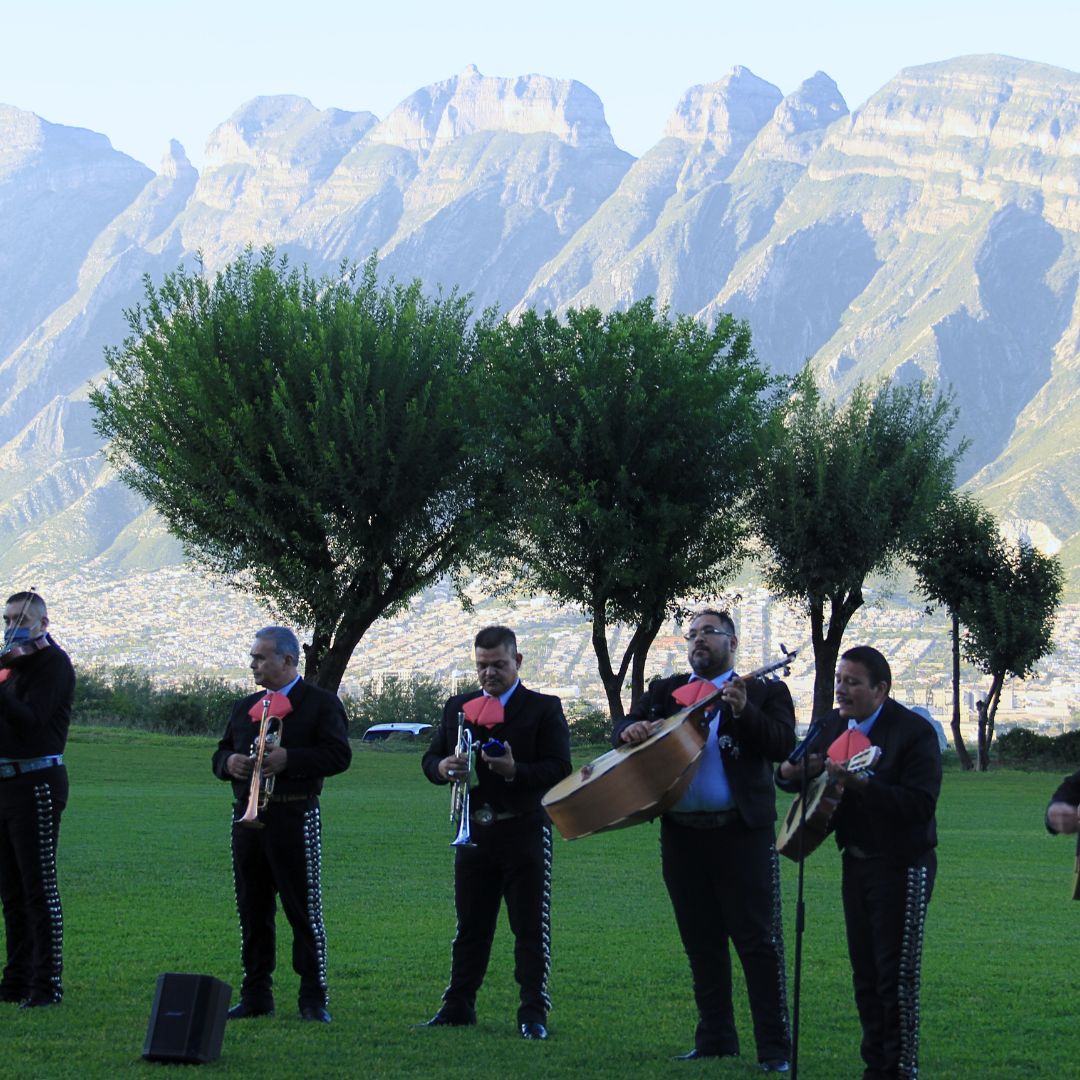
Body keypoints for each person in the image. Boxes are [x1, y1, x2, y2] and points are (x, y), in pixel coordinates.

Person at [613, 609, 795, 1072]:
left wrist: (742, 710)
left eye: (708, 633)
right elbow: (625, 726)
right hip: (682, 836)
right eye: (691, 634)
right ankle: (715, 1038)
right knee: (701, 942)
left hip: (742, 836)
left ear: (733, 643)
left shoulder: (766, 691)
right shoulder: (665, 691)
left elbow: (781, 746)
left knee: (758, 943)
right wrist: (629, 731)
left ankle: (774, 1049)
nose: (697, 641)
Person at [777, 645, 941, 1080]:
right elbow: (787, 772)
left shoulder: (912, 732)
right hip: (857, 862)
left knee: (895, 976)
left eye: (852, 682)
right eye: (839, 681)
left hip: (904, 865)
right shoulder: (831, 724)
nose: (842, 690)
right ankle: (875, 1066)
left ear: (880, 688)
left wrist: (860, 784)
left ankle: (900, 1068)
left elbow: (920, 805)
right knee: (865, 974)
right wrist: (793, 773)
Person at [420, 625, 571, 1040]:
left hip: (523, 831)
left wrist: (515, 770)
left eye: (499, 665)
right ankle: (458, 1005)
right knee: (470, 925)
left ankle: (533, 1012)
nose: (489, 674)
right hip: (475, 835)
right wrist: (441, 768)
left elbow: (560, 769)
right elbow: (431, 756)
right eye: (482, 666)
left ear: (518, 662)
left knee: (528, 926)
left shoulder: (543, 707)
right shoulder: (458, 706)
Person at [212, 626, 351, 1023]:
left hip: (295, 815)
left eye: (261, 657)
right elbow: (221, 752)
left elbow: (339, 755)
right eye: (253, 657)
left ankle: (312, 997)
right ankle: (256, 994)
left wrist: (290, 758)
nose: (253, 664)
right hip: (248, 818)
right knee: (252, 910)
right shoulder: (245, 707)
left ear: (288, 660)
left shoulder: (320, 704)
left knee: (302, 910)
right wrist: (229, 765)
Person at [0, 590, 74, 1008]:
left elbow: (32, 722)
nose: (13, 627)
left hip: (38, 781)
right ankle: (15, 980)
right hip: (4, 782)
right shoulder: (11, 666)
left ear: (43, 623)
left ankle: (46, 983)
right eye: (7, 619)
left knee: (38, 887)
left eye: (20, 619)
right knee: (10, 889)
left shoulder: (52, 664)